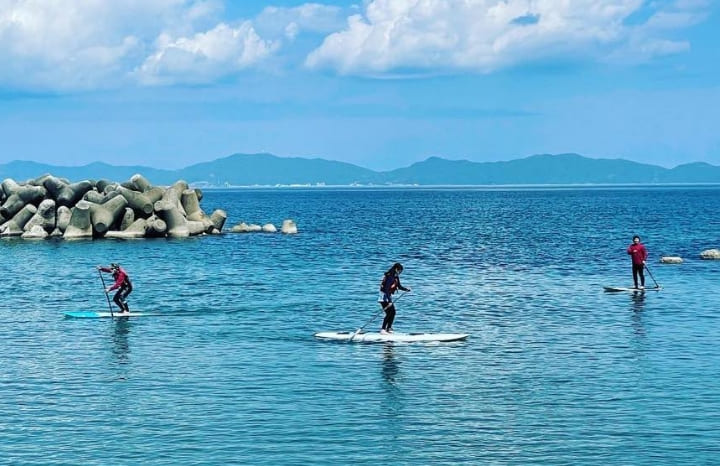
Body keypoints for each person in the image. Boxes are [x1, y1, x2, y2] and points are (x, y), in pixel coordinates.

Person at [378, 262, 411, 334]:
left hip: (388, 296)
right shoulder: (390, 277)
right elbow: (386, 289)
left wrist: (406, 289)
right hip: (384, 297)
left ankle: (389, 328)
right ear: (396, 269)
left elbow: (399, 286)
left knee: (393, 312)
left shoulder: (396, 277)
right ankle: (383, 329)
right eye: (399, 271)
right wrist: (389, 301)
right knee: (389, 313)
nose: (400, 272)